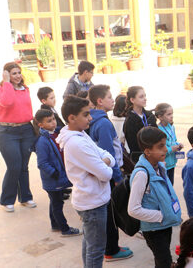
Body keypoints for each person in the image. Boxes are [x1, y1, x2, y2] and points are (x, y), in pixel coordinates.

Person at [57, 95, 117, 267]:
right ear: (72, 118)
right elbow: (106, 174)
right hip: (92, 203)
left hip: (92, 199)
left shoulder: (80, 134)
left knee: (89, 244)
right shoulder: (76, 143)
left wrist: (102, 163)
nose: (90, 118)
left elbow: (107, 155)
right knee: (96, 250)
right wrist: (102, 165)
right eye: (86, 114)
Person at [88, 85, 133, 262]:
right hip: (111, 175)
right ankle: (111, 250)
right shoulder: (104, 123)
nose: (113, 100)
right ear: (100, 101)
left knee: (110, 211)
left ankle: (112, 246)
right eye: (109, 97)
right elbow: (109, 153)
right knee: (112, 213)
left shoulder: (96, 120)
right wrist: (116, 177)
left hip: (106, 175)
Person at [128, 127, 182, 268]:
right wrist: (160, 216)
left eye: (165, 144)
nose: (166, 149)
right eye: (161, 146)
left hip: (164, 224)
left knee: (163, 260)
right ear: (147, 151)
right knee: (164, 261)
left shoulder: (158, 166)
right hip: (154, 229)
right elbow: (133, 209)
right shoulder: (141, 174)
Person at [0, 62, 36, 212]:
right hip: (7, 132)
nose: (18, 76)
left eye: (19, 72)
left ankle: (25, 198)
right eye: (13, 73)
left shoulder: (26, 89)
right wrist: (6, 83)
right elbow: (7, 102)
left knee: (23, 166)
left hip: (26, 130)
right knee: (14, 166)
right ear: (6, 75)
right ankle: (7, 200)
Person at [33, 109, 81, 236]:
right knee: (57, 204)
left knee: (55, 202)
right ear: (40, 125)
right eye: (49, 121)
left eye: (53, 119)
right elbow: (42, 163)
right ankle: (65, 229)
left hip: (57, 177)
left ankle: (55, 225)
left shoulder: (56, 133)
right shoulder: (42, 141)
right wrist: (55, 173)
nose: (53, 123)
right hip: (53, 179)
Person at [123, 86, 158, 163]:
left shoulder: (150, 115)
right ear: (132, 100)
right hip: (140, 159)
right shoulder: (130, 120)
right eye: (141, 97)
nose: (145, 98)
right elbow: (133, 144)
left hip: (154, 156)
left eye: (145, 96)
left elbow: (157, 135)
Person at [155, 103, 184, 184]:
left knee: (171, 184)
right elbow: (160, 150)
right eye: (168, 114)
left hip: (172, 163)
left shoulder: (171, 127)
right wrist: (172, 149)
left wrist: (178, 145)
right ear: (160, 117)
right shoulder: (158, 130)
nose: (171, 116)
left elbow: (173, 140)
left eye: (172, 114)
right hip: (164, 165)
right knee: (166, 186)